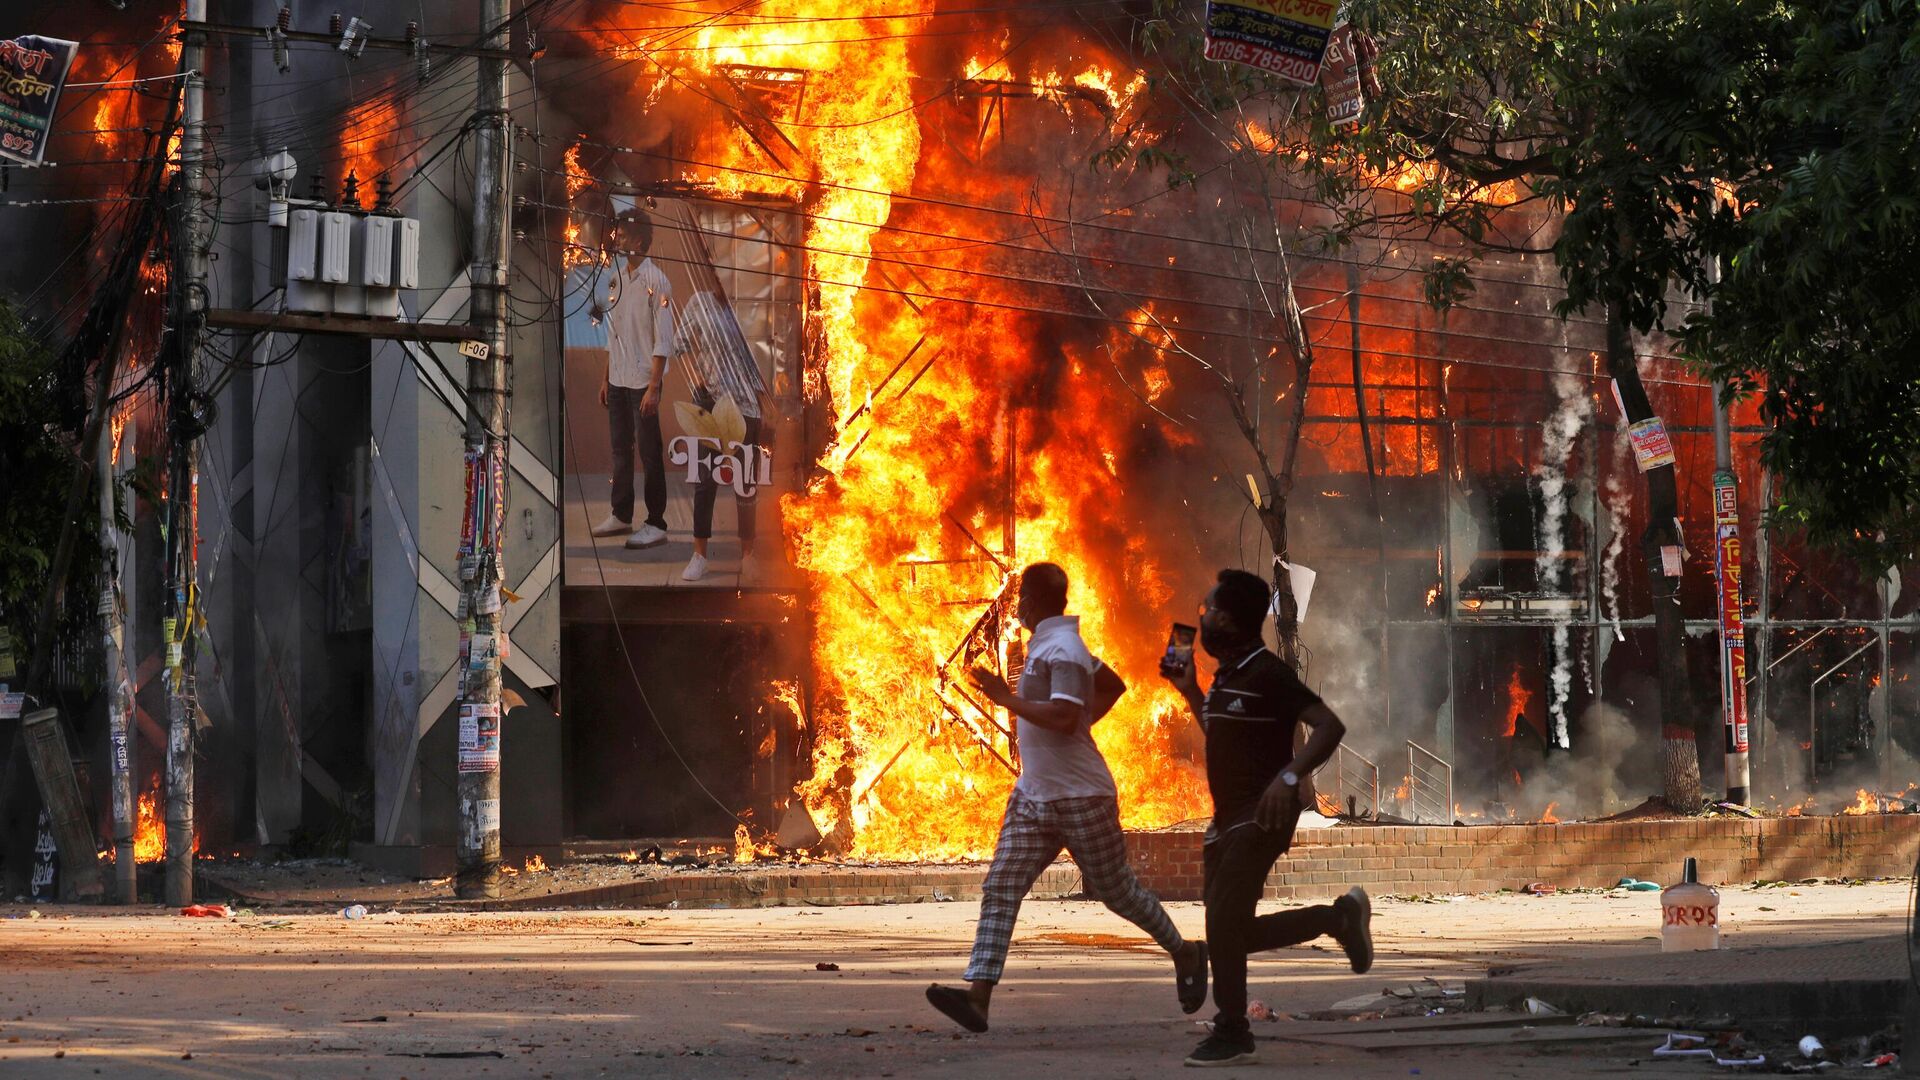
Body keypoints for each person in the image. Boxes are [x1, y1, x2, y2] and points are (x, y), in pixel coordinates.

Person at [926, 562, 1208, 1033]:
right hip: (1035, 794)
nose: (1015, 607)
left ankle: (1186, 951)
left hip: (1081, 796)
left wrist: (1004, 698)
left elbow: (1059, 717)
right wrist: (1081, 724)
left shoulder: (1064, 650)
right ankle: (978, 997)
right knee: (1001, 886)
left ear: (1033, 603)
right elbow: (1113, 686)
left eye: (1019, 599)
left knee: (1118, 893)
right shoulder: (1051, 644)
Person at [1163, 568, 1374, 1068]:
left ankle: (1233, 1029)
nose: (1203, 618)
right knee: (1229, 934)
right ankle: (1338, 918)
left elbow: (1329, 725)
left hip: (1263, 815)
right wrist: (1191, 691)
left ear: (1233, 620)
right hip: (1226, 819)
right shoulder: (1228, 677)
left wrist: (1289, 777)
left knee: (1221, 923)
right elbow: (1221, 734)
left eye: (1210, 611)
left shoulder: (1268, 673)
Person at [587, 208, 675, 551]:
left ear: (639, 240)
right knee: (620, 450)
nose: (617, 239)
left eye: (623, 235)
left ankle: (657, 522)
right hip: (620, 380)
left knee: (649, 454)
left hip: (643, 382)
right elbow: (615, 333)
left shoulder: (658, 281)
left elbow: (663, 339)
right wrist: (606, 378)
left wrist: (654, 387)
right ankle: (621, 514)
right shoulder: (616, 278)